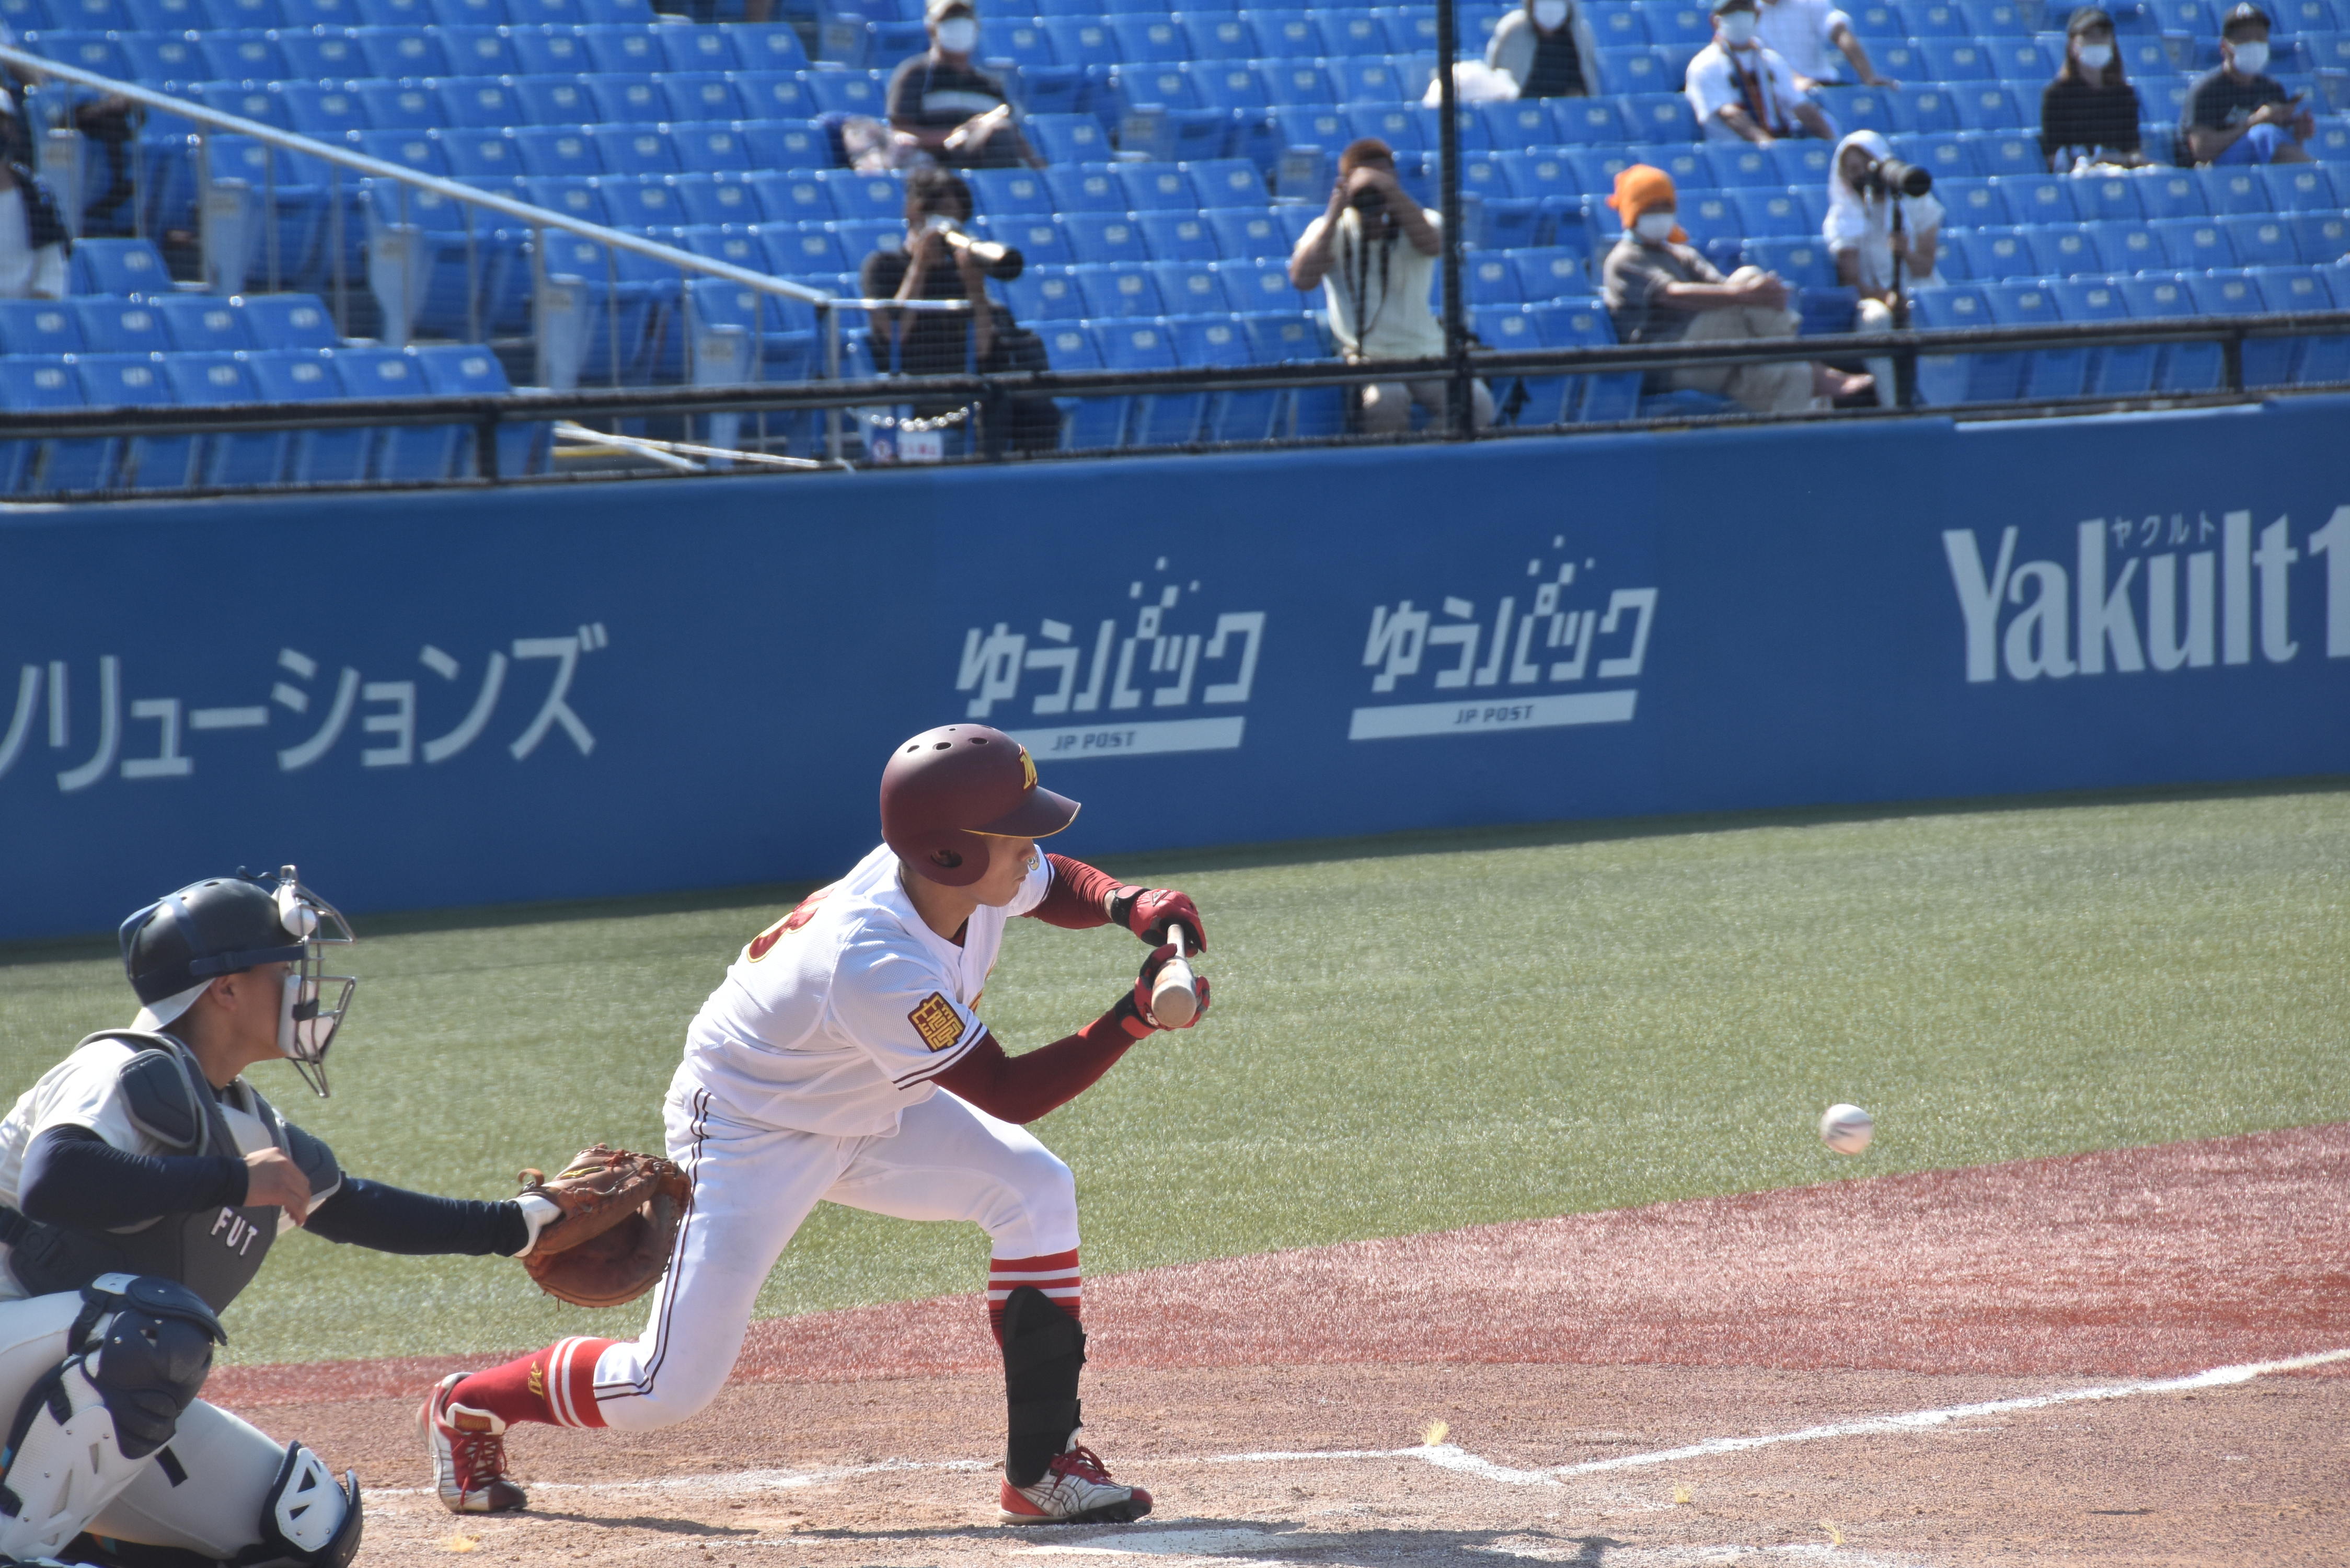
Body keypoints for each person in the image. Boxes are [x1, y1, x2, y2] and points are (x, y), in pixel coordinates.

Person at [421, 725, 1213, 1526]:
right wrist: (1133, 1019)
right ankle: (469, 1406)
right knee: (667, 1387)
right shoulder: (874, 959)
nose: (1033, 845)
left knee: (1036, 1189)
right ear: (950, 856)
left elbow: (1056, 882)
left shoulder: (963, 873)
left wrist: (1126, 904)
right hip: (748, 1129)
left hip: (869, 1102)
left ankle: (1041, 1468)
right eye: (1017, 832)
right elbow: (1006, 1091)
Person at [0, 866, 565, 1563]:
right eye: (284, 969)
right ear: (226, 990)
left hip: (57, 1384)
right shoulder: (123, 1067)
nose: (303, 987)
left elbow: (355, 1208)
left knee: (304, 1526)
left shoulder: (242, 1117)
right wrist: (232, 1181)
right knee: (147, 1330)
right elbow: (54, 1179)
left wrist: (519, 1225)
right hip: (22, 1336)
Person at [1602, 164, 1868, 413]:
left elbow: (1720, 286)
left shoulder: (1681, 254)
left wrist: (1760, 291)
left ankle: (1792, 448)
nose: (1659, 214)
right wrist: (1750, 294)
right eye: (1650, 208)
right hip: (1669, 363)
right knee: (1746, 283)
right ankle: (1818, 370)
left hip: (1716, 358)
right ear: (1632, 213)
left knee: (1795, 374)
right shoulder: (1625, 259)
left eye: (1665, 206)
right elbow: (1672, 294)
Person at [1288, 138, 1493, 435]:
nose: (1375, 188)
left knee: (1478, 404)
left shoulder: (1420, 221)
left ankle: (1425, 462)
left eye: (1384, 177)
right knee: (1388, 400)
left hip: (1427, 351)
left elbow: (1434, 245)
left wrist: (1391, 194)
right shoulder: (1330, 229)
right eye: (1366, 179)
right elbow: (1302, 280)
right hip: (1366, 356)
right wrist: (1335, 213)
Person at [860, 166, 1056, 457]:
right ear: (916, 213)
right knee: (993, 403)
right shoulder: (883, 266)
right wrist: (920, 267)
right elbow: (894, 334)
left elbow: (982, 349)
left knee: (1039, 411)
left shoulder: (960, 275)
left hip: (970, 380)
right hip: (919, 383)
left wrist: (975, 288)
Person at [1825, 130, 1939, 403]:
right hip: (1871, 298)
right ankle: (1895, 407)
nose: (1860, 174)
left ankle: (1945, 403)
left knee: (1942, 311)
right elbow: (1852, 280)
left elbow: (1925, 268)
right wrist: (1887, 298)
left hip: (1919, 288)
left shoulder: (1919, 204)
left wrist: (1906, 253)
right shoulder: (1842, 218)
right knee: (1878, 321)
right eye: (1851, 169)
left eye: (1865, 166)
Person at [886, 0, 1038, 170]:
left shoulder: (990, 84)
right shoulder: (915, 74)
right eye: (949, 18)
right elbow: (901, 132)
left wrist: (1041, 171)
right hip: (937, 170)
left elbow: (1014, 134)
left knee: (1000, 132)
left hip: (984, 162)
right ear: (931, 27)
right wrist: (955, 136)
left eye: (965, 17)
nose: (959, 24)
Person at [1686, 0, 1837, 144]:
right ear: (1715, 21)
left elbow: (1800, 106)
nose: (1739, 16)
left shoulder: (1772, 61)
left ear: (1757, 15)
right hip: (1735, 150)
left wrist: (1833, 142)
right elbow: (1730, 115)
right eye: (1731, 12)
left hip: (1778, 139)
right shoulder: (1705, 65)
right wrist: (1767, 145)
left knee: (1826, 119)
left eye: (1745, 9)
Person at [2182, 3, 2312, 165]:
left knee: (2268, 136)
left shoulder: (2272, 88)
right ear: (2225, 47)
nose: (2254, 45)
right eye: (2245, 40)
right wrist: (2253, 123)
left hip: (2262, 171)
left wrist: (2299, 134)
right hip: (2220, 171)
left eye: (2260, 39)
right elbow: (2201, 150)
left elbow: (2278, 151)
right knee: (2264, 135)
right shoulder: (2206, 90)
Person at [2040, 8, 2147, 169]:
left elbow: (2133, 150)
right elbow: (2053, 156)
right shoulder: (2056, 95)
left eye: (2103, 36)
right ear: (2073, 45)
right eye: (2089, 36)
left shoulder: (2124, 95)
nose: (2097, 41)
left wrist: (2113, 160)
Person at [1755, 0, 1897, 90]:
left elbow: (1840, 33)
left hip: (1824, 85)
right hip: (1778, 90)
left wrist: (1868, 76)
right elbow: (1757, 53)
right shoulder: (1743, 9)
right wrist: (1793, 80)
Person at [1484, 0, 1602, 99]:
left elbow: (1589, 87)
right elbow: (1496, 82)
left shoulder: (1580, 35)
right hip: (1522, 113)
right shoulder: (1512, 30)